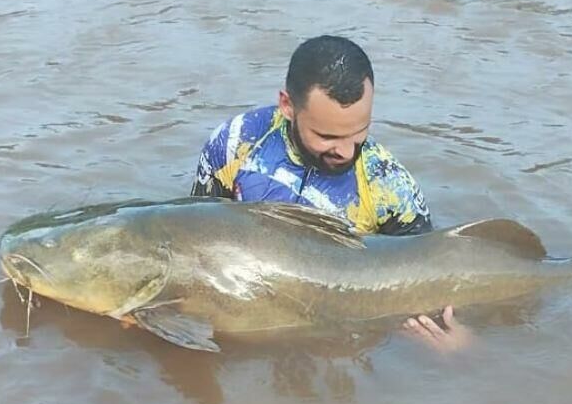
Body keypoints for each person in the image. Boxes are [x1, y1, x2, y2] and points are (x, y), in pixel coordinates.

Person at [190, 35, 470, 351]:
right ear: (287, 106)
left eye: (360, 132)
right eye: (327, 136)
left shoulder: (390, 187)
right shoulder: (234, 145)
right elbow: (196, 235)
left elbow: (429, 278)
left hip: (336, 339)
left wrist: (462, 346)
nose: (347, 151)